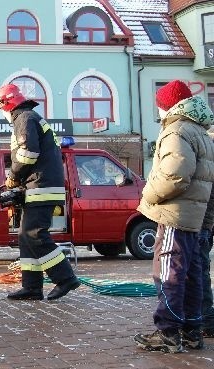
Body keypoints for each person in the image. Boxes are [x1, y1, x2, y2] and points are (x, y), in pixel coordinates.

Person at [133, 79, 214, 353]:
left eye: (159, 106)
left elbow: (174, 175)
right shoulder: (201, 132)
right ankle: (192, 331)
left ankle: (167, 332)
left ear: (167, 106)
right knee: (191, 273)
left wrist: (148, 196)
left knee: (168, 272)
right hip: (195, 216)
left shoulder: (176, 131)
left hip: (175, 214)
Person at [0, 83, 79, 301]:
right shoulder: (28, 117)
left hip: (41, 187)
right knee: (25, 236)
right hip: (38, 186)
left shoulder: (25, 119)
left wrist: (13, 177)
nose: (0, 112)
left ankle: (65, 277)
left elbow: (28, 154)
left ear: (7, 104)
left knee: (34, 234)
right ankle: (31, 286)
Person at [199, 185, 214, 338]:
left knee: (199, 272)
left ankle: (206, 321)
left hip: (199, 221)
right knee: (201, 271)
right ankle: (206, 321)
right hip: (203, 221)